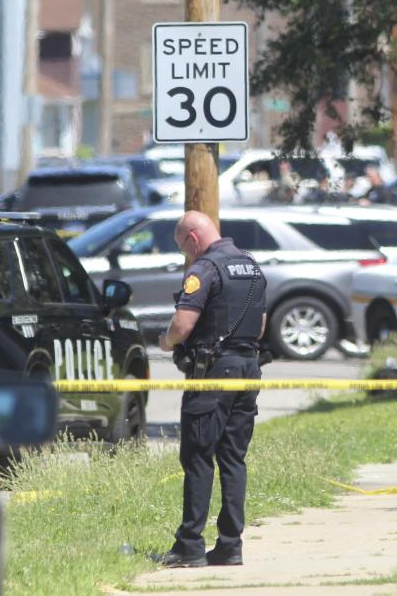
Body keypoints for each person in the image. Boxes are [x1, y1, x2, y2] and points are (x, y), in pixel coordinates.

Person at [158, 210, 267, 568]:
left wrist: (166, 342)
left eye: (183, 248)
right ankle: (230, 545)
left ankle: (189, 545)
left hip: (212, 375)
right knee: (233, 458)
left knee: (199, 458)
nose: (186, 256)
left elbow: (183, 324)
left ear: (192, 237)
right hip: (248, 370)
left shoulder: (204, 269)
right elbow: (260, 325)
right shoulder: (251, 266)